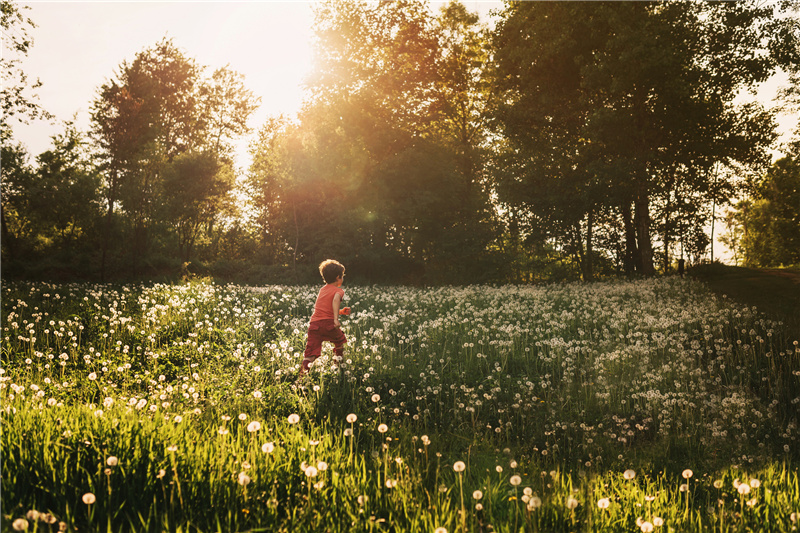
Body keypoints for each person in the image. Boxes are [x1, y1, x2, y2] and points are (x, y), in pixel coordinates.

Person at [300, 259, 350, 374]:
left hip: (314, 325)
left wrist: (341, 312)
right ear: (338, 277)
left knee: (310, 354)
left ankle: (302, 377)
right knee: (339, 343)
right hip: (329, 324)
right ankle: (338, 367)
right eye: (342, 276)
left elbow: (326, 308)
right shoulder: (339, 291)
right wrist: (336, 319)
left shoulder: (322, 290)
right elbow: (336, 300)